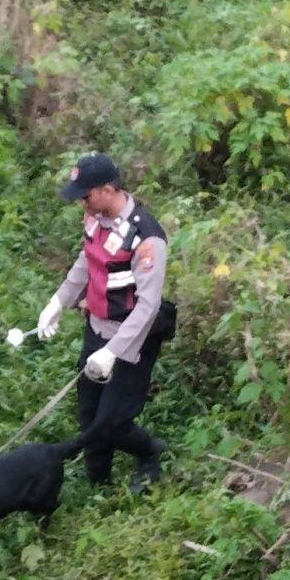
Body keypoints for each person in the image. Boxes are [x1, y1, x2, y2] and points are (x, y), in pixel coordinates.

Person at [36, 154, 174, 493]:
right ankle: (99, 484)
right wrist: (58, 301)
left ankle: (151, 453)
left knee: (111, 422)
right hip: (96, 329)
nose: (82, 202)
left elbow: (147, 306)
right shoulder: (95, 218)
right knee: (89, 413)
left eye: (86, 195)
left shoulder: (147, 238)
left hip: (131, 341)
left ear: (109, 190)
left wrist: (113, 352)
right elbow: (87, 260)